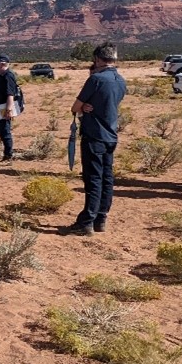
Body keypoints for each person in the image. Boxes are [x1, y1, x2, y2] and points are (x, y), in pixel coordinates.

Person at [67, 43, 127, 235]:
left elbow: (75, 107)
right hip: (111, 134)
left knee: (93, 178)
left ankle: (87, 221)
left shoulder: (96, 79)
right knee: (107, 178)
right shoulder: (121, 80)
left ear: (98, 59)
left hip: (94, 134)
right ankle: (101, 218)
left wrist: (83, 107)